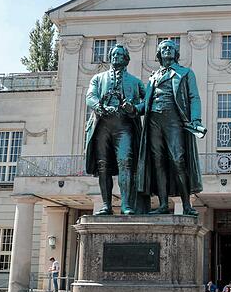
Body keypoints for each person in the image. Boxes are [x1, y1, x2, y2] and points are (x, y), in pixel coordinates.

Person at [136, 39, 204, 216]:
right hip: (153, 121)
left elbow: (193, 97)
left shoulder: (185, 73)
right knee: (158, 162)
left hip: (174, 120)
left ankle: (187, 205)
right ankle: (163, 204)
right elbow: (144, 104)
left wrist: (195, 119)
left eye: (171, 48)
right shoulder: (153, 76)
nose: (167, 50)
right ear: (158, 54)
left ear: (176, 53)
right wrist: (133, 109)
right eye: (163, 48)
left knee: (178, 160)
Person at [85, 43, 146, 215]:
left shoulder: (135, 82)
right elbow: (90, 96)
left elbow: (147, 102)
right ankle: (106, 205)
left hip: (124, 126)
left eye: (120, 55)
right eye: (114, 54)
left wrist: (134, 108)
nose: (116, 57)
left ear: (126, 59)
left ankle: (126, 205)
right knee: (103, 165)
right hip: (102, 125)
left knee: (125, 164)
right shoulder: (98, 79)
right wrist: (98, 106)